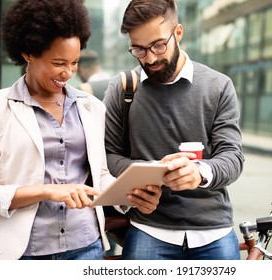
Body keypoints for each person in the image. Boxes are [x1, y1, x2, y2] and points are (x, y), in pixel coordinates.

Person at [0, 0, 161, 260]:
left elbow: (99, 175)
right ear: (28, 53)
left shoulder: (91, 107)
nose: (68, 72)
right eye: (58, 63)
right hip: (23, 254)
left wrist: (130, 194)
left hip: (85, 247)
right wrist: (47, 191)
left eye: (75, 62)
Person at [103, 0, 244, 260]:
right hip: (148, 229)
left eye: (158, 45)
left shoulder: (219, 86)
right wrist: (153, 171)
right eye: (139, 49)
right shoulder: (122, 89)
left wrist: (200, 172)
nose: (151, 57)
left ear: (178, 33)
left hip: (213, 231)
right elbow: (108, 156)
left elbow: (233, 157)